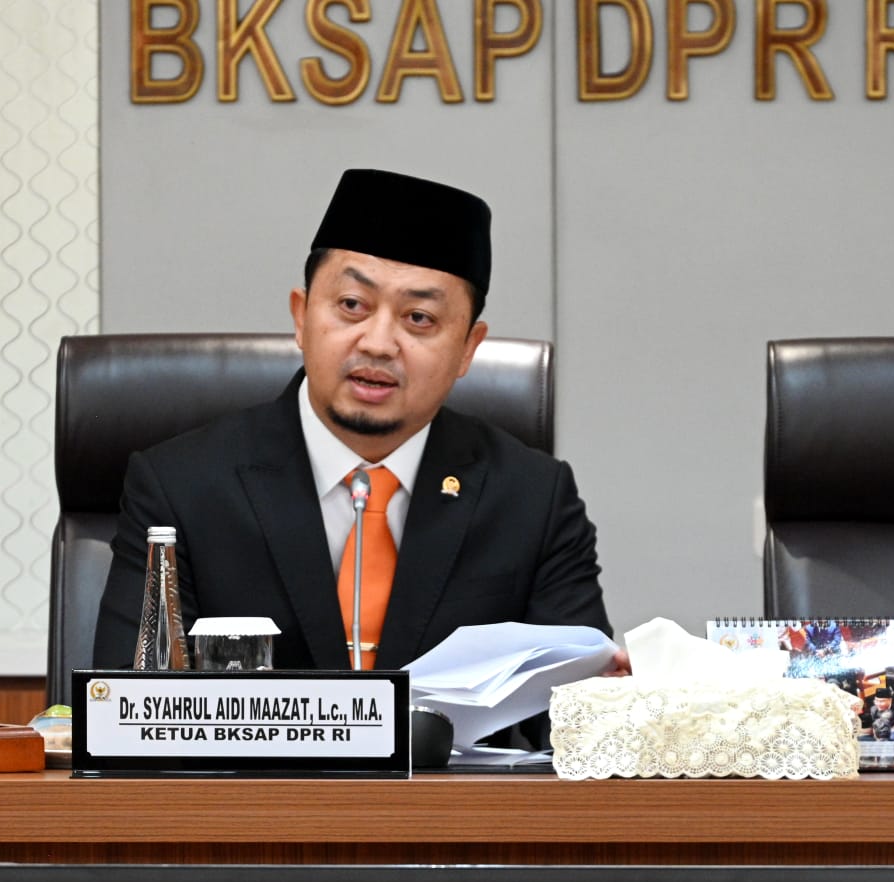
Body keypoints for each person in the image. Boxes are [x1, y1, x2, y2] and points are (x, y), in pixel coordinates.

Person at [91, 168, 617, 693]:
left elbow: (581, 714)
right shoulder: (180, 488)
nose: (378, 343)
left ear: (467, 349)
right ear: (301, 316)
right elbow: (126, 706)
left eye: (419, 318)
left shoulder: (534, 498)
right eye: (351, 306)